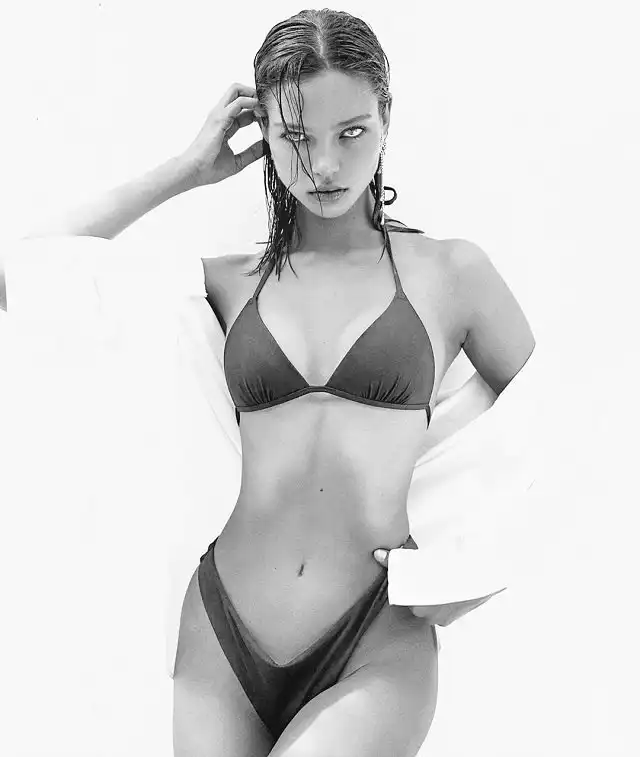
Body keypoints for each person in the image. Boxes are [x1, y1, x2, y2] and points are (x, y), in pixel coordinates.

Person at [0, 9, 535, 757]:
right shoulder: (226, 284)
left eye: (351, 132)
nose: (324, 165)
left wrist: (479, 565)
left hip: (374, 635)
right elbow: (22, 273)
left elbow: (557, 415)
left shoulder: (453, 273)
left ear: (386, 119)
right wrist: (186, 169)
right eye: (296, 137)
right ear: (264, 136)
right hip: (221, 634)